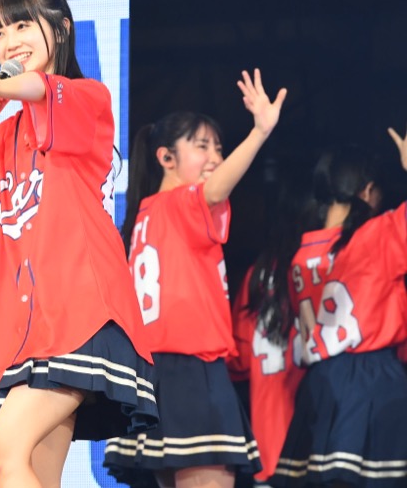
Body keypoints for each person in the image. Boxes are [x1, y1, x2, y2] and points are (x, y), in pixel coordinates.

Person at [0, 0, 159, 488]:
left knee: (3, 450)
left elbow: (38, 87)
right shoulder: (4, 131)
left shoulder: (86, 97)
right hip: (25, 328)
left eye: (21, 25)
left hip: (80, 310)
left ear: (61, 28)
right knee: (33, 470)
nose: (9, 41)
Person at [104, 75, 286, 488]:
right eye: (202, 146)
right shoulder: (182, 203)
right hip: (191, 371)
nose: (215, 157)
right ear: (166, 157)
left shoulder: (142, 215)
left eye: (218, 147)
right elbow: (216, 192)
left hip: (152, 374)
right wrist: (259, 132)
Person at [270, 135, 407, 488]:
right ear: (368, 191)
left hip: (321, 383)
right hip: (372, 378)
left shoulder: (300, 256)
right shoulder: (374, 236)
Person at [229, 167, 309, 486]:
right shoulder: (316, 265)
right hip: (317, 440)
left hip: (269, 442)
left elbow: (238, 360)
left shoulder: (257, 274)